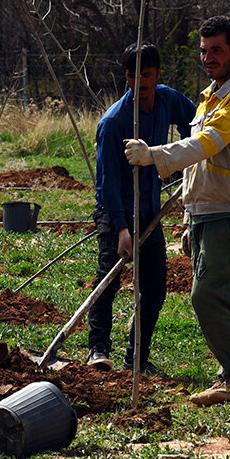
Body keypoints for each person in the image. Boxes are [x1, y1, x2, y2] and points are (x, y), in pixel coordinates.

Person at [124, 16, 230, 405]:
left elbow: (205, 144)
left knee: (206, 295)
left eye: (217, 51)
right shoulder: (211, 95)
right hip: (207, 207)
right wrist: (190, 214)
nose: (208, 58)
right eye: (204, 51)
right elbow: (200, 163)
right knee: (224, 295)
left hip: (229, 208)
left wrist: (154, 155)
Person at [87, 44, 195, 374]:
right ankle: (98, 350)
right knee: (109, 279)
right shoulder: (114, 123)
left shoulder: (167, 99)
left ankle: (137, 358)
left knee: (155, 288)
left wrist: (187, 160)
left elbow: (196, 124)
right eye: (134, 75)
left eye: (146, 75)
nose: (141, 82)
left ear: (158, 74)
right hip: (116, 211)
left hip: (150, 209)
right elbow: (106, 184)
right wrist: (120, 228)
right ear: (126, 77)